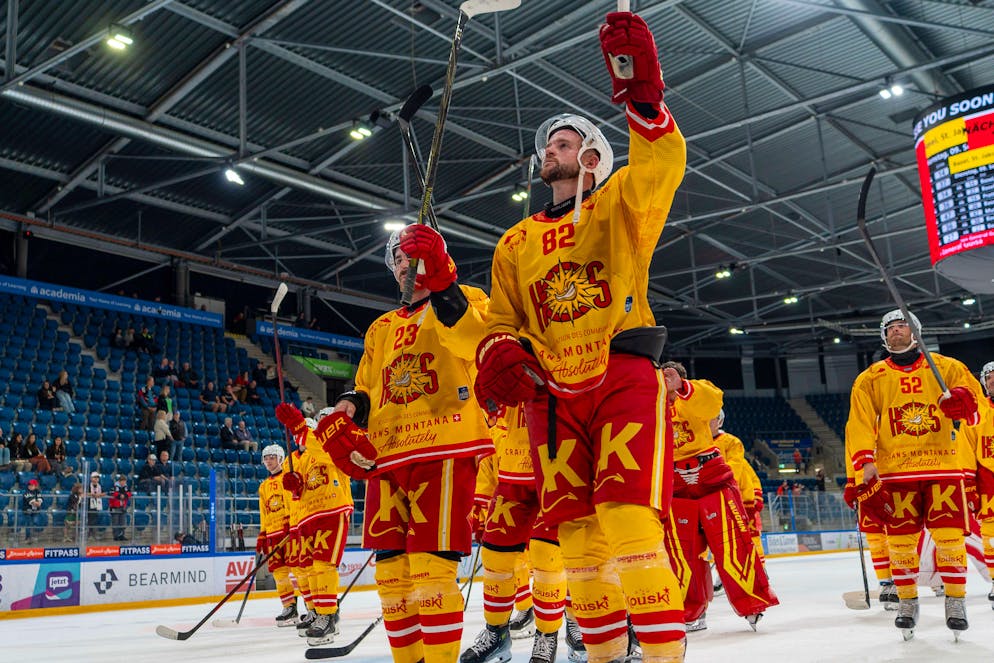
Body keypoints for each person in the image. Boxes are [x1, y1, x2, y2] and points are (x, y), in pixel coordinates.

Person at [473, 11, 687, 662]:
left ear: (592, 155)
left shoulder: (620, 201)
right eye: (549, 145)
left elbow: (661, 166)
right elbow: (501, 320)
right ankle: (603, 655)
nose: (553, 151)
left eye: (565, 142)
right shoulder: (514, 241)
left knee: (627, 522)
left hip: (619, 370)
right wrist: (501, 354)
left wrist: (642, 96)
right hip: (553, 397)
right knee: (577, 540)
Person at [282, 221, 492, 663]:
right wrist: (346, 410)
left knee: (432, 570)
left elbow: (474, 340)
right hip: (389, 457)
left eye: (411, 256)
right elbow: (366, 389)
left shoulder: (465, 299)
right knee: (392, 575)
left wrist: (440, 274)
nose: (403, 265)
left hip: (445, 448)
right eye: (398, 259)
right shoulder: (379, 328)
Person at [845, 309, 983, 639]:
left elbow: (976, 406)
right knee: (901, 543)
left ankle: (955, 600)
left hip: (942, 466)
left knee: (950, 538)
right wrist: (864, 464)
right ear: (883, 336)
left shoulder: (946, 367)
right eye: (890, 328)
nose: (896, 332)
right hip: (896, 472)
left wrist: (961, 402)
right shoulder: (871, 377)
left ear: (916, 331)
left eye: (902, 326)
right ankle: (907, 601)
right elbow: (860, 422)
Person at [662, 362, 777, 634]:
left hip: (711, 476)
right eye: (662, 376)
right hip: (674, 483)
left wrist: (681, 387)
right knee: (681, 553)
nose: (666, 379)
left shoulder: (697, 395)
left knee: (733, 543)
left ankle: (752, 602)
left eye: (672, 376)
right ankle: (689, 610)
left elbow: (713, 400)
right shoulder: (648, 404)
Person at [460, 404, 568, 663]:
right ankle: (496, 633)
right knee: (495, 556)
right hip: (512, 474)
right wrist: (480, 503)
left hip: (557, 471)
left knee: (547, 556)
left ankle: (547, 636)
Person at [274, 409, 354, 646]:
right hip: (311, 515)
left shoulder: (337, 442)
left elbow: (327, 451)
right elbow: (306, 488)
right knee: (312, 568)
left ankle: (328, 615)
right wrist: (296, 488)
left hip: (333, 509)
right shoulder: (306, 456)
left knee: (323, 565)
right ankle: (320, 612)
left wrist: (300, 429)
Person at [959, 361, 994, 609]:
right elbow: (965, 451)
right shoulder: (976, 413)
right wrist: (969, 487)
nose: (993, 381)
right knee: (991, 539)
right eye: (989, 378)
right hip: (988, 483)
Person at [258, 444, 300, 626]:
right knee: (279, 575)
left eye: (272, 457)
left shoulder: (288, 477)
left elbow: (293, 502)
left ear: (281, 458)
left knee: (300, 570)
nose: (268, 461)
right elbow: (264, 512)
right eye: (266, 458)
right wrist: (262, 534)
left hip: (289, 531)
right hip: (273, 534)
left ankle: (313, 607)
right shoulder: (264, 486)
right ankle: (289, 608)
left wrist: (293, 524)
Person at [108, 474, 131, 541]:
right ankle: (116, 536)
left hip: (123, 506)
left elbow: (129, 493)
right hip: (115, 506)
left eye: (124, 481)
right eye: (122, 481)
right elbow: (113, 494)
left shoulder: (126, 487)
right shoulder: (114, 487)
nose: (123, 482)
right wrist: (120, 496)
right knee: (115, 521)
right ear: (119, 481)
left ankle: (122, 535)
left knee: (123, 522)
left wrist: (124, 495)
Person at [22, 478, 46, 542]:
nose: (30, 486)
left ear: (35, 486)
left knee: (33, 524)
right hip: (28, 511)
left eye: (32, 485)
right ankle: (27, 538)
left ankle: (31, 537)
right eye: (29, 485)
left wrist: (39, 503)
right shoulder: (26, 492)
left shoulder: (37, 491)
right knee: (29, 524)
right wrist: (38, 503)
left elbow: (40, 499)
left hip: (35, 511)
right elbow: (33, 502)